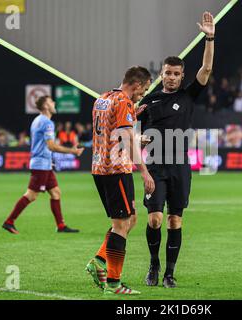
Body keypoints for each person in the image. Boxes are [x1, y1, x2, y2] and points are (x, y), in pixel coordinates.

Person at [137, 11, 215, 288]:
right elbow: (130, 127)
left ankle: (170, 273)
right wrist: (139, 139)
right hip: (155, 167)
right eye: (167, 73)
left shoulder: (188, 95)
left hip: (180, 166)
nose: (171, 77)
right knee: (156, 220)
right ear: (162, 74)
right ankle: (153, 265)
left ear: (182, 77)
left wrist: (209, 37)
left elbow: (205, 70)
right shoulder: (149, 100)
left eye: (176, 74)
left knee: (174, 221)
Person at [86, 66, 155, 295]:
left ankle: (99, 260)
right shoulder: (124, 102)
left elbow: (110, 129)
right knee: (121, 225)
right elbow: (125, 139)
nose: (141, 95)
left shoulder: (103, 99)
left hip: (100, 167)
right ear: (136, 85)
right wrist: (144, 171)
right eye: (143, 90)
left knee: (130, 218)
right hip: (116, 170)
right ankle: (114, 283)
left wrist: (133, 114)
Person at [2, 96, 84, 234]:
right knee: (31, 195)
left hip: (44, 163)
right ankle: (9, 222)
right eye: (51, 102)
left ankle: (61, 226)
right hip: (40, 164)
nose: (54, 103)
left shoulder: (37, 120)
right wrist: (72, 151)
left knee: (56, 192)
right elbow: (51, 146)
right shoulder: (47, 123)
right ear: (46, 106)